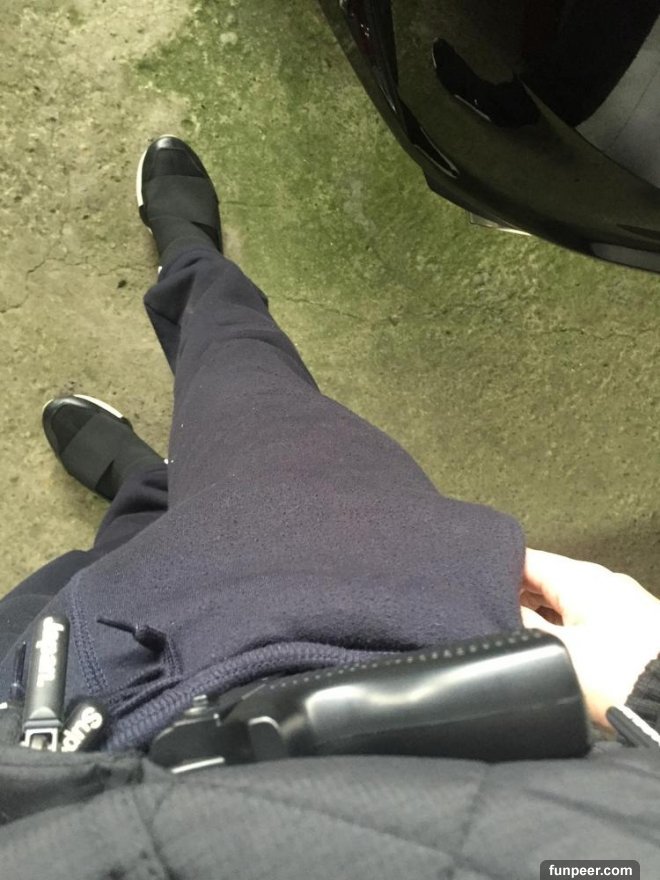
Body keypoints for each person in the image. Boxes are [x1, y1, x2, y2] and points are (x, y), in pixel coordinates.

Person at [0, 136, 658, 877]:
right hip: (390, 681)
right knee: (242, 377)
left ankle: (145, 485)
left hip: (41, 759)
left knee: (101, 567)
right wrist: (650, 698)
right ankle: (192, 260)